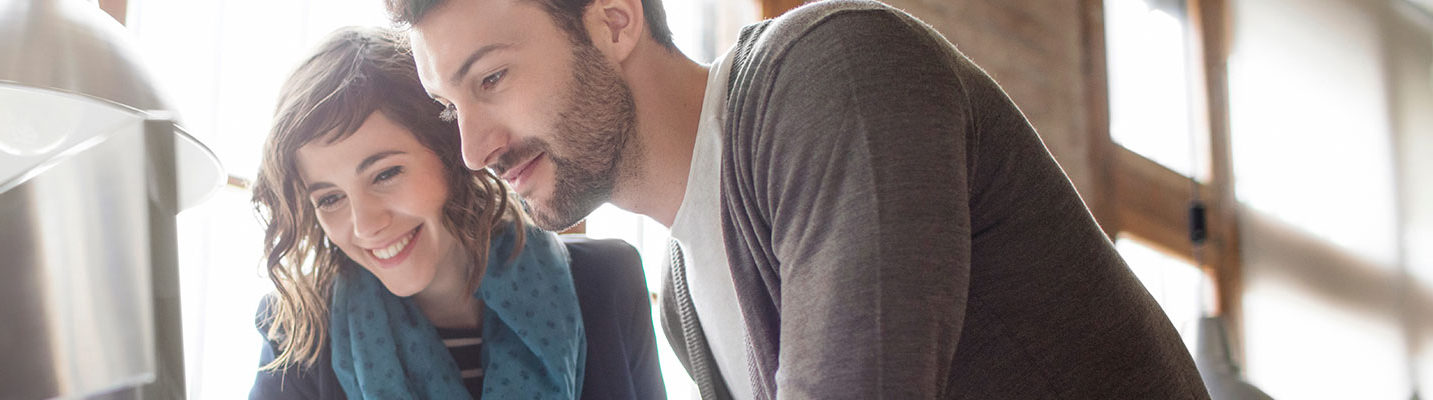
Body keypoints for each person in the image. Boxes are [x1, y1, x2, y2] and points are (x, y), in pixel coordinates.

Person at [389, 0, 1209, 398]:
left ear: (612, 18)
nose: (474, 148)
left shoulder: (832, 71)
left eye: (491, 79)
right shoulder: (683, 291)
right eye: (450, 108)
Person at [246, 26, 666, 400]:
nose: (365, 225)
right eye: (330, 199)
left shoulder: (608, 283)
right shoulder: (299, 336)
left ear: (450, 153)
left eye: (385, 174)